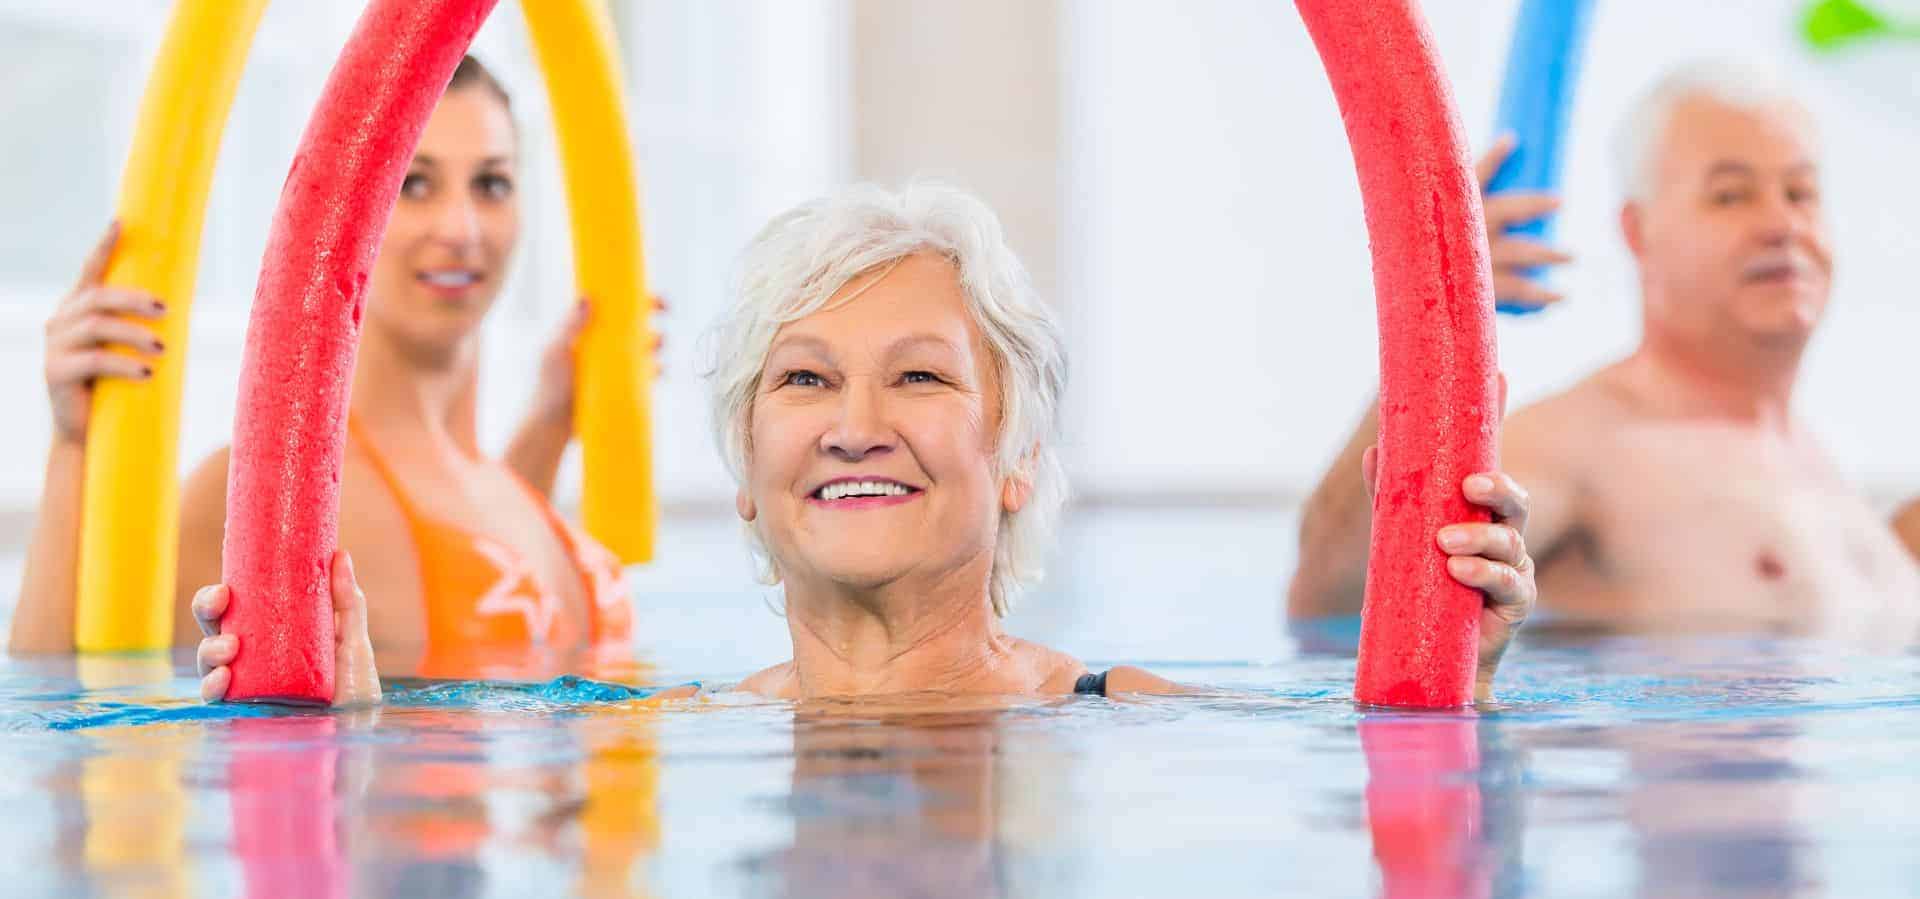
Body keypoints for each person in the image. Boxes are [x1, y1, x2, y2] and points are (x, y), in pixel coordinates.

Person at [195, 183, 1536, 705]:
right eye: (804, 379)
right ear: (745, 481)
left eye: (917, 377)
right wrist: (332, 747)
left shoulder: (1124, 719)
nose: (854, 424)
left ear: (1015, 457)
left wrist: (1457, 691)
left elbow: (1414, 840)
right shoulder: (660, 737)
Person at [11, 56, 642, 676]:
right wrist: (76, 445)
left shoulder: (503, 486)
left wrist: (554, 422)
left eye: (491, 184)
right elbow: (65, 697)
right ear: (338, 210)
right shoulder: (273, 488)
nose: (460, 227)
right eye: (412, 183)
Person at [1291, 61, 1920, 635]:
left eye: (1801, 193)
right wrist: (1431, 317)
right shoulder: (1582, 446)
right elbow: (1335, 599)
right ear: (1638, 232)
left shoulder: (1828, 476)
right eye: (1731, 195)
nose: (1783, 225)